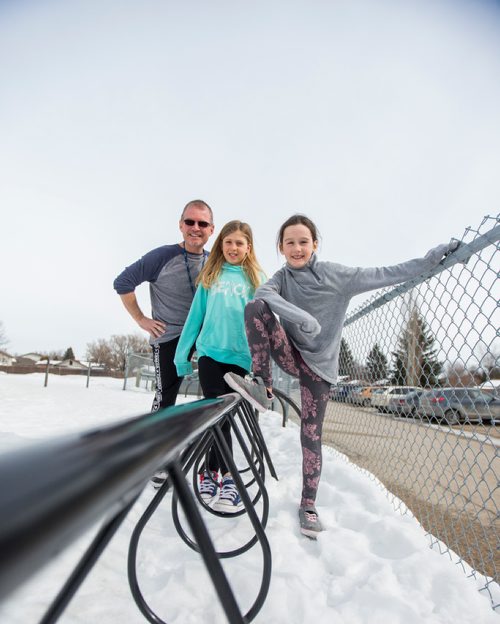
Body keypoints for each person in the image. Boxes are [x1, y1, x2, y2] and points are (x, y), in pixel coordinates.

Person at [224, 214, 459, 538]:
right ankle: (262, 386)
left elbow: (386, 274)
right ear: (281, 247)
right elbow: (264, 296)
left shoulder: (337, 276)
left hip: (320, 370)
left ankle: (308, 504)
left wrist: (429, 261)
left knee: (310, 435)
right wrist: (302, 317)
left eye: (303, 241)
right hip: (292, 356)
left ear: (314, 244)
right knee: (255, 308)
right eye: (289, 243)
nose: (296, 248)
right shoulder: (281, 278)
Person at [174, 220, 265, 513]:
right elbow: (194, 318)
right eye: (228, 242)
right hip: (210, 355)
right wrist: (181, 356)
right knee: (216, 415)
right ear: (220, 245)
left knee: (224, 418)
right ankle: (226, 477)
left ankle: (209, 471)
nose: (233, 248)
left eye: (239, 243)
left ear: (248, 247)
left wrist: (263, 366)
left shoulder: (257, 279)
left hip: (240, 359)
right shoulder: (210, 275)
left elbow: (265, 324)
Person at [113, 199, 215, 411]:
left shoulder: (215, 261)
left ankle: (212, 443)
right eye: (190, 222)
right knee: (165, 397)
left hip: (205, 336)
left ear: (211, 229)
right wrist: (141, 319)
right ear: (181, 225)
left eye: (202, 224)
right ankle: (159, 441)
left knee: (215, 395)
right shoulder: (162, 256)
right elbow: (123, 282)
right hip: (170, 336)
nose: (196, 228)